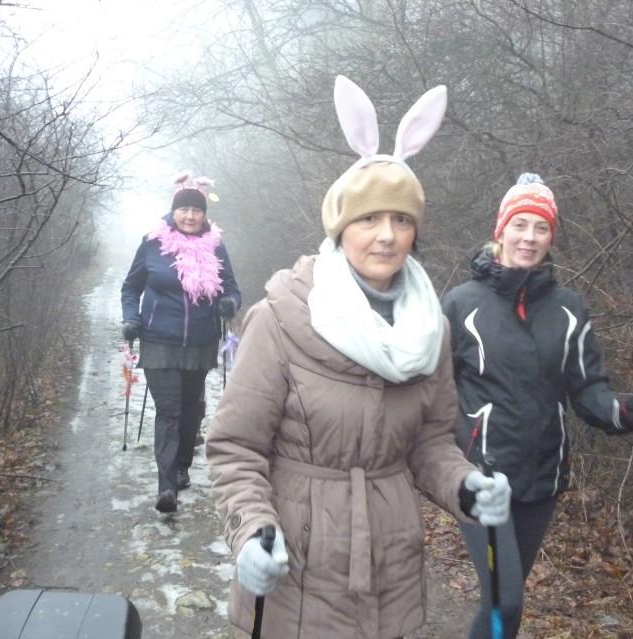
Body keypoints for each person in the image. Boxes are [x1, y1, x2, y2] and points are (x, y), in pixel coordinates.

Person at [205, 75, 512, 639]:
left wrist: (465, 486)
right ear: (341, 227)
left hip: (391, 560)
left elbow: (430, 442)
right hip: (296, 565)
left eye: (401, 220)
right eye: (368, 219)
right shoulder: (281, 317)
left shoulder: (431, 329)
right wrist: (250, 530)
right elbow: (236, 447)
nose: (386, 236)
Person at [440, 173, 633, 638]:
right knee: (504, 598)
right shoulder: (461, 304)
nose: (530, 237)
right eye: (520, 224)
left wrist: (621, 411)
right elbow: (436, 390)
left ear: (551, 237)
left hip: (544, 476)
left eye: (541, 228)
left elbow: (587, 388)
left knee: (509, 606)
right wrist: (453, 457)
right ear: (500, 231)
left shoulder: (567, 307)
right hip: (481, 477)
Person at [121, 172, 241, 514]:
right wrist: (131, 318)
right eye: (184, 210)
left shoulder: (216, 246)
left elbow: (231, 288)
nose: (190, 216)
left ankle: (183, 465)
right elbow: (131, 287)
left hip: (201, 341)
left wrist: (230, 303)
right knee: (169, 411)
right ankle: (166, 486)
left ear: (204, 215)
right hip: (159, 339)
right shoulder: (153, 243)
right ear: (173, 213)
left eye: (196, 211)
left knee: (190, 412)